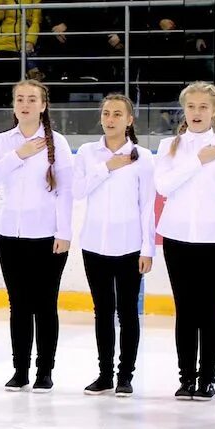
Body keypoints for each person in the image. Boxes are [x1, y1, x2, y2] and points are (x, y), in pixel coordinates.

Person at [0, 79, 73, 390]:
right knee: (18, 304)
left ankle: (44, 370)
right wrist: (18, 155)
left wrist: (64, 232)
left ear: (43, 105)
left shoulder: (57, 143)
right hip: (11, 237)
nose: (25, 104)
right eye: (20, 98)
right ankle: (20, 369)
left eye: (32, 99)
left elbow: (65, 192)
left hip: (48, 237)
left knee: (45, 305)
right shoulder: (3, 142)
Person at [153, 82, 215, 400]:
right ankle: (186, 377)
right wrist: (197, 161)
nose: (196, 112)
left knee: (208, 310)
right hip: (177, 239)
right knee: (185, 310)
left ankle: (207, 377)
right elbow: (163, 186)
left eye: (203, 107)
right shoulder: (170, 146)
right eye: (191, 106)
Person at [72, 95, 155, 396]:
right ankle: (105, 373)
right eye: (106, 113)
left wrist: (148, 248)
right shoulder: (87, 152)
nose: (110, 119)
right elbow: (78, 191)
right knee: (102, 311)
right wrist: (107, 167)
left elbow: (147, 205)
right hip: (94, 243)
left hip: (130, 245)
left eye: (117, 114)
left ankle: (126, 375)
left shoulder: (143, 157)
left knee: (128, 311)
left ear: (129, 120)